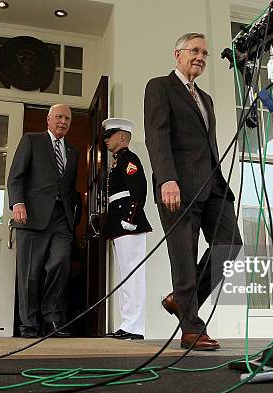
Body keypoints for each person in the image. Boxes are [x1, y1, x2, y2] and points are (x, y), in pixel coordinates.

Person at [144, 33, 243, 351]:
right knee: (183, 256)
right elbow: (156, 136)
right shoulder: (160, 86)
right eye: (195, 50)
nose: (201, 56)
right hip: (179, 186)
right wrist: (166, 179)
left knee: (230, 244)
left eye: (205, 52)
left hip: (213, 184)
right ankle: (192, 327)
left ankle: (180, 300)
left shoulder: (207, 98)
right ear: (178, 54)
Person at [7, 104, 79, 338]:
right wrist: (17, 203)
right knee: (30, 272)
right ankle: (29, 324)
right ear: (48, 119)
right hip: (32, 217)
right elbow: (16, 176)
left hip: (62, 219)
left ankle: (53, 319)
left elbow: (70, 189)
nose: (63, 121)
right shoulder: (31, 141)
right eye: (59, 117)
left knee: (60, 263)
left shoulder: (73, 151)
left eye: (67, 118)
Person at [102, 118, 152, 340]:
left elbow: (138, 189)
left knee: (133, 275)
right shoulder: (117, 161)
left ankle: (134, 327)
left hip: (128, 222)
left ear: (122, 136)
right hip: (120, 222)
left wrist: (130, 217)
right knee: (125, 276)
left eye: (110, 134)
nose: (106, 139)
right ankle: (128, 324)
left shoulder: (129, 159)